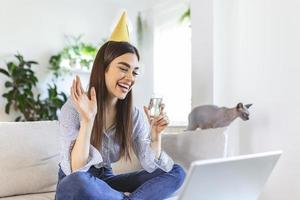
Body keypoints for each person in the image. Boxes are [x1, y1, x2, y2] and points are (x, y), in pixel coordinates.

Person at [55, 11, 185, 200]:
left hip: (107, 183)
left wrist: (156, 136)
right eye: (123, 69)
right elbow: (76, 170)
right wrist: (87, 119)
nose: (130, 78)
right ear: (104, 69)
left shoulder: (133, 115)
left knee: (175, 172)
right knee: (78, 183)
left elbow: (151, 165)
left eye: (134, 72)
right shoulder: (74, 108)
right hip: (77, 184)